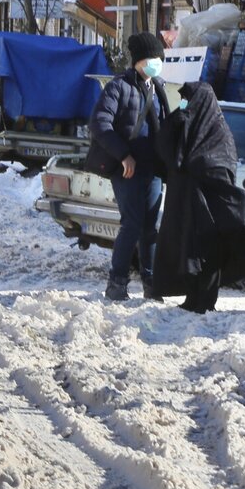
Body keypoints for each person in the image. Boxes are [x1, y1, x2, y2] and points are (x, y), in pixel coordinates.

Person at [154, 81, 245, 312]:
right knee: (189, 251)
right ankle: (193, 298)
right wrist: (173, 124)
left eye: (188, 101)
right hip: (188, 209)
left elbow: (220, 165)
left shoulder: (217, 133)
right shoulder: (188, 127)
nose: (184, 105)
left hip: (211, 211)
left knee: (209, 253)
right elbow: (168, 154)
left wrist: (199, 168)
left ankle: (205, 301)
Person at [86, 31, 171, 301]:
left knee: (150, 227)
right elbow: (99, 124)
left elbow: (165, 124)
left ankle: (151, 282)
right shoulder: (118, 86)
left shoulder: (157, 87)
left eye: (160, 58)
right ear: (140, 59)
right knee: (132, 224)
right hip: (127, 168)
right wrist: (123, 155)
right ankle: (117, 283)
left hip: (152, 168)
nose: (158, 62)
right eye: (154, 58)